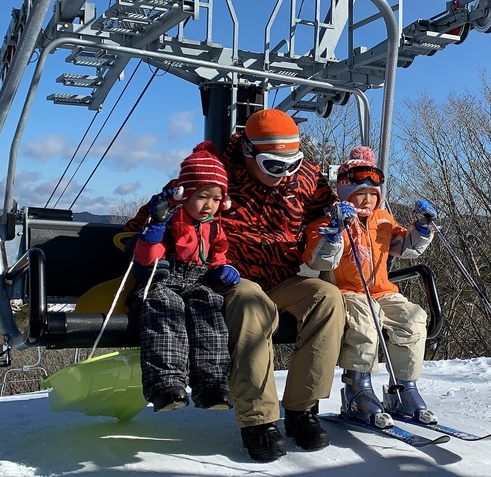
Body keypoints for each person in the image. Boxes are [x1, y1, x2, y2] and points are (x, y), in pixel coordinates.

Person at [125, 109, 346, 462]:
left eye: (292, 163)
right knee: (249, 304)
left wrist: (328, 233)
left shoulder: (305, 178)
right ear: (248, 151)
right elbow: (160, 213)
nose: (285, 173)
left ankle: (302, 408)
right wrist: (154, 223)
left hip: (284, 275)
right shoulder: (214, 172)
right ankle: (258, 420)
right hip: (230, 276)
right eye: (274, 165)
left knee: (328, 298)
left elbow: (325, 208)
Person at [303, 146, 438, 428]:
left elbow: (405, 247)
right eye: (359, 196)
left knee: (413, 318)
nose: (366, 202)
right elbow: (320, 260)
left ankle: (403, 390)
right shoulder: (330, 219)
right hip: (347, 290)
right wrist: (335, 231)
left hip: (382, 290)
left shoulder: (383, 219)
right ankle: (357, 390)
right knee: (366, 321)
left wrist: (422, 229)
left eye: (372, 196)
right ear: (345, 194)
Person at [126, 141, 241, 413]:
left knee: (209, 308)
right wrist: (155, 227)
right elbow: (146, 260)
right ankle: (166, 384)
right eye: (202, 196)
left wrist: (223, 269)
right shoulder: (170, 220)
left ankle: (212, 385)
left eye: (216, 199)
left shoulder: (213, 228)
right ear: (185, 194)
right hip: (161, 281)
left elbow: (218, 255)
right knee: (166, 308)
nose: (209, 205)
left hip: (196, 282)